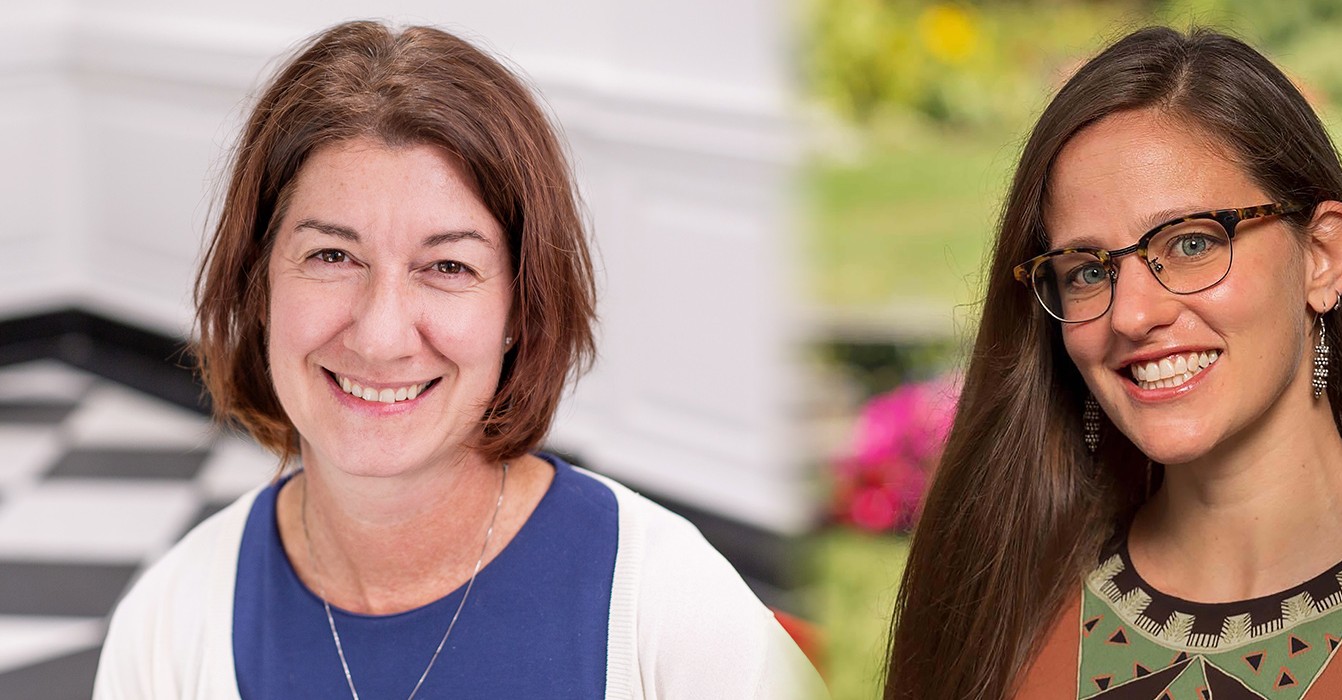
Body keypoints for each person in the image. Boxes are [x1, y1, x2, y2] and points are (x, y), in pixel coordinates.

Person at [94, 20, 822, 699]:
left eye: (447, 267)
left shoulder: (674, 611)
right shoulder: (168, 622)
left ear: (521, 310)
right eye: (332, 255)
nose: (380, 337)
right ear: (258, 286)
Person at [886, 26, 1342, 700]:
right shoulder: (996, 619)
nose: (1131, 315)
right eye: (1088, 271)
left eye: (1191, 243)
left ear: (1323, 256)